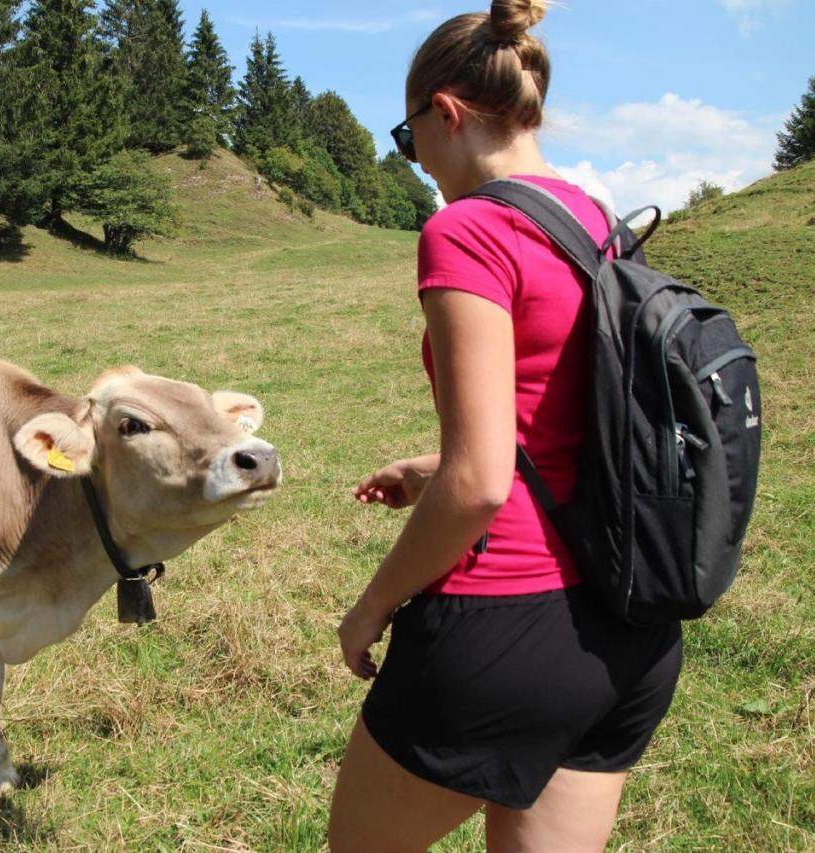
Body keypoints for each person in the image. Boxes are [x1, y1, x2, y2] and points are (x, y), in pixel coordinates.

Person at [327, 2, 683, 850]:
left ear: (444, 114)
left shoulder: (468, 230)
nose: (419, 167)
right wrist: (432, 462)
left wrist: (372, 604)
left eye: (410, 142)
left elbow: (480, 482)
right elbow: (574, 419)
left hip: (503, 628)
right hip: (631, 630)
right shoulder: (602, 228)